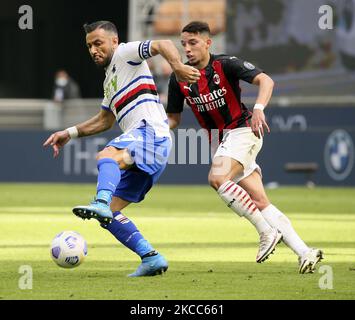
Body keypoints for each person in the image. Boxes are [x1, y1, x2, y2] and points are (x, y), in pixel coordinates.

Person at [43, 21, 200, 277]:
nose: (93, 50)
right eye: (89, 46)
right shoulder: (110, 81)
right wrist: (69, 133)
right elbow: (104, 121)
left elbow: (163, 44)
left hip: (151, 133)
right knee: (110, 215)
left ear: (114, 41)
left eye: (98, 43)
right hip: (149, 143)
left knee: (107, 156)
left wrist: (178, 66)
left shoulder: (126, 53)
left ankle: (101, 201)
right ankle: (151, 257)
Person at [166, 21, 323, 274]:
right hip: (220, 142)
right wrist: (153, 127)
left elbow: (266, 81)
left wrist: (258, 109)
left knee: (217, 179)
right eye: (183, 44)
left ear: (208, 43)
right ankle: (305, 252)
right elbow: (173, 119)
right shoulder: (179, 78)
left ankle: (265, 232)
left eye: (193, 42)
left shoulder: (225, 64)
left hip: (242, 130)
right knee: (261, 201)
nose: (187, 49)